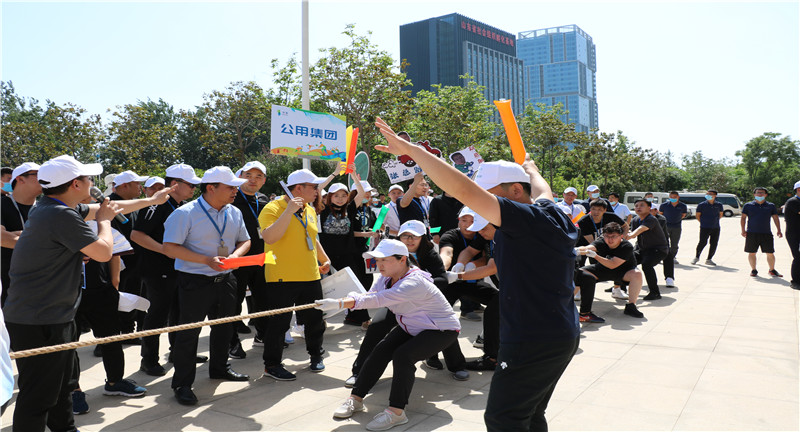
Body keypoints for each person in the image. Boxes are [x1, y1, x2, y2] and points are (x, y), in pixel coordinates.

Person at [375, 118, 579, 432]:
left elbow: (459, 187)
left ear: (515, 190)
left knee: (502, 419)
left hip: (532, 336)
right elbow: (543, 190)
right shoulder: (551, 213)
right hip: (557, 331)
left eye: (488, 196)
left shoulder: (525, 220)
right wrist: (531, 168)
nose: (482, 205)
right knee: (529, 415)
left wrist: (413, 151)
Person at [4, 154, 170, 432]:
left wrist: (152, 200)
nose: (92, 182)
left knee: (61, 386)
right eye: (88, 178)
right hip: (39, 318)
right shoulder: (59, 214)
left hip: (52, 313)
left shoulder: (53, 206)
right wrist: (104, 222)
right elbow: (104, 251)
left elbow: (112, 207)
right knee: (38, 394)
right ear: (75, 184)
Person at [317, 239, 461, 431]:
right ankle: (356, 399)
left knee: (403, 356)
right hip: (412, 325)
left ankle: (396, 412)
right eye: (377, 260)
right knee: (381, 350)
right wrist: (343, 300)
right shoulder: (386, 278)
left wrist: (341, 303)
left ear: (402, 259)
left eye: (385, 259)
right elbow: (370, 295)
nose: (380, 264)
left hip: (442, 330)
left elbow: (379, 299)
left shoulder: (414, 282)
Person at [162, 166, 252, 406]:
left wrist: (234, 257)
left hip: (227, 279)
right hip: (195, 281)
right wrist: (206, 261)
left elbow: (245, 240)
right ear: (211, 188)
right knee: (188, 334)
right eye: (230, 187)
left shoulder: (234, 212)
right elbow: (169, 248)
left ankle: (219, 368)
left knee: (224, 328)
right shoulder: (185, 213)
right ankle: (182, 383)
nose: (235, 191)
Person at [132, 163, 206, 376]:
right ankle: (149, 359)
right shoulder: (157, 204)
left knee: (180, 313)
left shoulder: (182, 206)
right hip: (157, 269)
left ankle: (178, 352)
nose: (194, 189)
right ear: (174, 184)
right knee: (157, 314)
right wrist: (165, 250)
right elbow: (137, 235)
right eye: (190, 184)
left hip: (179, 268)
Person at [259, 169, 331, 381]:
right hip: (282, 276)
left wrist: (324, 258)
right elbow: (269, 237)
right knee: (279, 323)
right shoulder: (272, 208)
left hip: (310, 274)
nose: (317, 191)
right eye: (314, 187)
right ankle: (272, 365)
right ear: (299, 188)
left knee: (315, 320)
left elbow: (312, 236)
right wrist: (288, 211)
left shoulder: (309, 209)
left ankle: (316, 354)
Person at [226, 161, 270, 359]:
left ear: (264, 180)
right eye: (248, 175)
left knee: (263, 300)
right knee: (234, 302)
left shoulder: (264, 200)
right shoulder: (231, 198)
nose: (253, 180)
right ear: (240, 176)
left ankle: (262, 335)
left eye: (258, 176)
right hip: (236, 259)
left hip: (261, 258)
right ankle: (231, 342)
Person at [446, 213, 501, 370]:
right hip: (508, 286)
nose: (480, 232)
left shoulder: (504, 239)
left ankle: (492, 358)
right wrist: (460, 264)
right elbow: (469, 251)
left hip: (520, 286)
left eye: (483, 229)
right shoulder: (486, 235)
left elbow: (491, 268)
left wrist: (459, 276)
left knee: (493, 312)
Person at [574, 222, 645, 321]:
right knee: (580, 274)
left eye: (613, 236)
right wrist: (577, 249)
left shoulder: (626, 246)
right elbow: (588, 248)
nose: (610, 239)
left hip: (624, 272)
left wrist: (596, 256)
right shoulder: (602, 241)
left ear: (621, 236)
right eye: (607, 236)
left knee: (637, 274)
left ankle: (631, 306)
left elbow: (612, 264)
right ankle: (566, 303)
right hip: (602, 269)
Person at [109, 170, 148, 339]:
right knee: (114, 301)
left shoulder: (132, 205)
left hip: (134, 265)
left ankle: (127, 332)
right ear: (124, 186)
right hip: (116, 265)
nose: (140, 187)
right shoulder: (109, 206)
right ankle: (109, 339)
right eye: (137, 183)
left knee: (131, 298)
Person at [0, 162, 41, 306]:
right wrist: (46, 240)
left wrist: (17, 236)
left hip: (41, 286)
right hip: (8, 286)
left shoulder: (46, 208)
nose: (44, 178)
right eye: (37, 175)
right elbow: (2, 238)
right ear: (20, 179)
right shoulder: (2, 204)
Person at [627, 199, 669, 300]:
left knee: (646, 265)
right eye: (636, 206)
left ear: (649, 208)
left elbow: (640, 229)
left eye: (642, 205)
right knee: (626, 261)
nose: (638, 207)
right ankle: (619, 287)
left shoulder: (651, 219)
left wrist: (630, 235)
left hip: (658, 250)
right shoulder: (636, 220)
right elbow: (631, 232)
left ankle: (655, 293)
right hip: (643, 250)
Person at [741, 187, 783, 277]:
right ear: (754, 194)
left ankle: (772, 270)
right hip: (752, 233)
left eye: (762, 193)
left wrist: (779, 230)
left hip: (766, 233)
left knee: (770, 253)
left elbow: (775, 218)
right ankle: (753, 270)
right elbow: (743, 218)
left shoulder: (770, 205)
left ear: (766, 195)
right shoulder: (748, 205)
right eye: (758, 193)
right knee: (752, 252)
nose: (760, 194)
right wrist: (743, 230)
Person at [658, 191, 688, 287]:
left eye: (674, 197)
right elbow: (660, 214)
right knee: (664, 243)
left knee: (675, 243)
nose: (672, 198)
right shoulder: (664, 205)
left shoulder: (682, 206)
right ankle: (662, 257)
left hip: (677, 226)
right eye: (671, 196)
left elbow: (683, 215)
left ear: (678, 197)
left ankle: (672, 257)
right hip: (665, 226)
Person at [692, 189, 724, 266]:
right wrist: (703, 222)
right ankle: (696, 257)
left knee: (714, 243)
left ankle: (709, 259)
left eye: (710, 194)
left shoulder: (719, 205)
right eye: (707, 193)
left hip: (716, 227)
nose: (708, 195)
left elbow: (720, 215)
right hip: (704, 227)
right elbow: (698, 215)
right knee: (702, 242)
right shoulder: (701, 205)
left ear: (715, 195)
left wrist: (714, 221)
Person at [783, 181, 800, 289]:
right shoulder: (793, 201)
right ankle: (795, 282)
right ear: (798, 190)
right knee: (798, 257)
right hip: (794, 234)